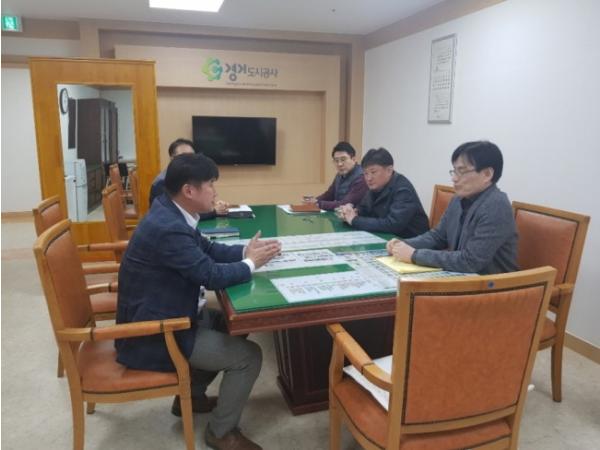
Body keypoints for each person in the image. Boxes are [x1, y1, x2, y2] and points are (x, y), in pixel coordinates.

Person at [116, 153, 281, 450]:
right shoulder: (168, 227)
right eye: (211, 185)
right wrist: (251, 264)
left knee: (233, 323)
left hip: (171, 309)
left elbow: (207, 250)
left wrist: (245, 251)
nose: (215, 192)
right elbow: (210, 275)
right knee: (249, 357)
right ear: (189, 191)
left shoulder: (171, 210)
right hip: (159, 330)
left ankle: (190, 397)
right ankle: (221, 432)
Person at [387, 140, 518, 274]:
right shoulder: (458, 198)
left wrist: (415, 255)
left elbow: (470, 261)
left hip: (491, 283)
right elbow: (438, 236)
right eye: (454, 171)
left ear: (487, 174)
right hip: (462, 276)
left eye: (461, 172)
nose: (454, 178)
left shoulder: (496, 205)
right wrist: (405, 244)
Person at [337, 147, 429, 237]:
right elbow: (364, 209)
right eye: (365, 173)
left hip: (412, 241)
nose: (368, 178)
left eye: (373, 172)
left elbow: (393, 224)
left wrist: (354, 220)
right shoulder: (375, 186)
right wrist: (351, 211)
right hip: (387, 238)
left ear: (389, 170)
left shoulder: (403, 189)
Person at [149, 138, 229, 217]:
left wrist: (211, 204)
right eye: (184, 157)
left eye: (192, 156)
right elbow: (173, 214)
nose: (190, 161)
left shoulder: (191, 178)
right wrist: (213, 211)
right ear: (172, 159)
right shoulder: (161, 183)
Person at [303, 141, 368, 210]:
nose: (339, 164)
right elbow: (329, 194)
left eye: (343, 159)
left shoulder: (362, 178)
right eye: (336, 160)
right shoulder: (340, 174)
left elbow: (345, 204)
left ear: (353, 159)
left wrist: (318, 204)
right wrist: (314, 201)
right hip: (340, 214)